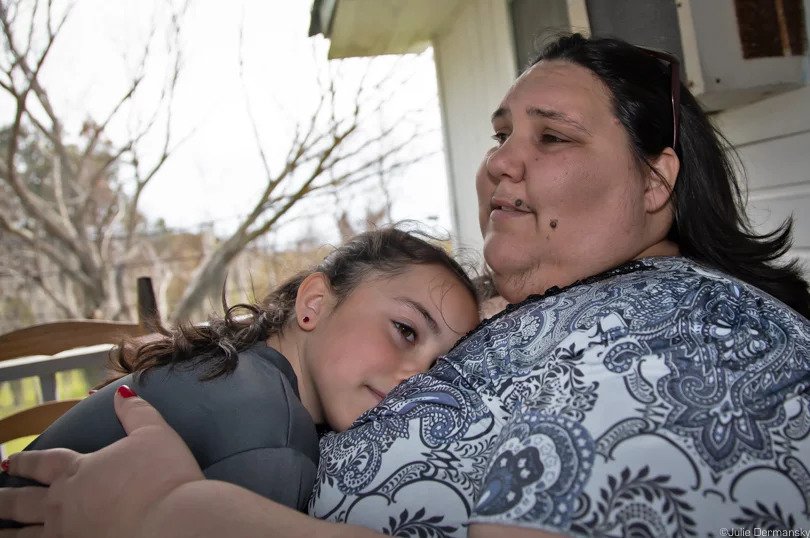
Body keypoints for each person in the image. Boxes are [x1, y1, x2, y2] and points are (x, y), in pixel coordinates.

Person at [2, 33, 810, 538]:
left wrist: (167, 515)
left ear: (655, 180)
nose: (499, 160)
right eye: (500, 135)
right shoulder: (556, 302)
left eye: (551, 136)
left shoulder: (700, 334)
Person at [0, 227, 480, 518]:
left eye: (439, 369)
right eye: (406, 330)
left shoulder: (234, 367)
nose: (418, 377)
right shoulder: (273, 436)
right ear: (315, 303)